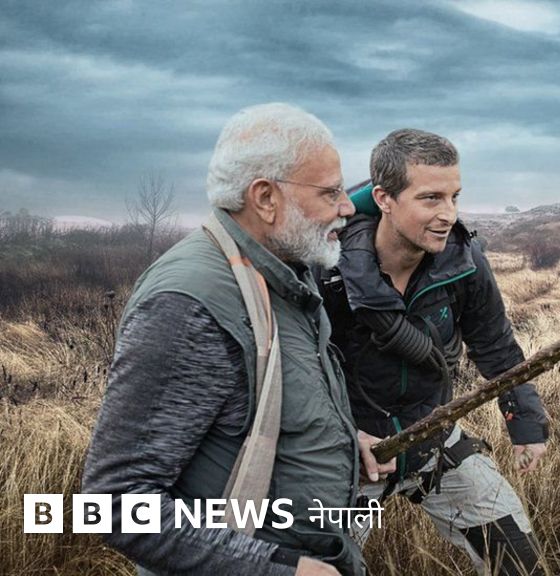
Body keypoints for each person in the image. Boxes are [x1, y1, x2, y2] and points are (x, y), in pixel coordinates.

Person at [82, 103, 393, 576]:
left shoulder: (283, 276)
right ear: (265, 198)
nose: (347, 207)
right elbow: (116, 504)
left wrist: (339, 442)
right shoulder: (191, 303)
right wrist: (280, 569)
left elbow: (253, 413)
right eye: (330, 192)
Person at [319, 129, 549, 575]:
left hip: (434, 441)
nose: (448, 215)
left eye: (454, 197)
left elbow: (495, 344)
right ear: (384, 199)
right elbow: (288, 372)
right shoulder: (323, 269)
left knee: (521, 566)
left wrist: (525, 423)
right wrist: (343, 435)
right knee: (319, 568)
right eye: (430, 199)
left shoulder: (463, 261)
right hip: (349, 459)